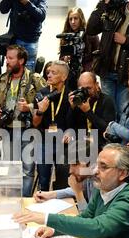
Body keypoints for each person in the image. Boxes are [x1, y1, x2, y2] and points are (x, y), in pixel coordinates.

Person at [14, 144, 129, 238]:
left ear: (122, 173)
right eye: (97, 165)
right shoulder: (104, 188)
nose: (95, 171)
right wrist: (54, 230)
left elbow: (97, 227)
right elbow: (86, 217)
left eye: (103, 167)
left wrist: (46, 218)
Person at [87, 0, 129, 114]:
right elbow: (91, 29)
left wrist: (126, 41)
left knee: (122, 112)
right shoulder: (112, 12)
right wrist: (103, 4)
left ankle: (117, 132)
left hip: (127, 76)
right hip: (107, 70)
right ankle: (108, 132)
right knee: (107, 111)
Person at [0, 44, 46, 196]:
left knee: (27, 170)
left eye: (11, 58)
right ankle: (11, 200)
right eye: (6, 58)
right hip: (6, 128)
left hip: (26, 128)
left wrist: (28, 107)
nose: (7, 61)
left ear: (21, 60)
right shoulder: (2, 78)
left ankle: (25, 201)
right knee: (8, 168)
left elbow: (46, 100)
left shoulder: (34, 79)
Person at [33, 60, 73, 191]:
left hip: (63, 143)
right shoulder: (41, 94)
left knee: (62, 179)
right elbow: (35, 123)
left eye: (53, 73)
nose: (49, 75)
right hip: (44, 141)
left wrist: (70, 132)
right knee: (43, 179)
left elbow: (76, 123)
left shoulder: (70, 96)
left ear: (64, 77)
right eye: (48, 72)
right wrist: (40, 111)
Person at [70, 72, 116, 150]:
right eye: (82, 89)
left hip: (100, 144)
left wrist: (88, 112)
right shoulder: (79, 100)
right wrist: (72, 108)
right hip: (80, 143)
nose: (86, 92)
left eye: (88, 88)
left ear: (96, 85)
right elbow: (70, 126)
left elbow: (107, 129)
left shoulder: (107, 100)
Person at [0, 0, 47, 71]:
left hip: (30, 40)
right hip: (14, 38)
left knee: (28, 71)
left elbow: (41, 16)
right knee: (11, 69)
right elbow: (3, 9)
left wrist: (26, 3)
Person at [59, 7, 100, 89]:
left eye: (75, 18)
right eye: (70, 19)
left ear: (81, 19)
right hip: (70, 72)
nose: (73, 22)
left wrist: (90, 70)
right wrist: (65, 59)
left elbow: (97, 55)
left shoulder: (90, 34)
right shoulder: (66, 35)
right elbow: (61, 57)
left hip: (87, 72)